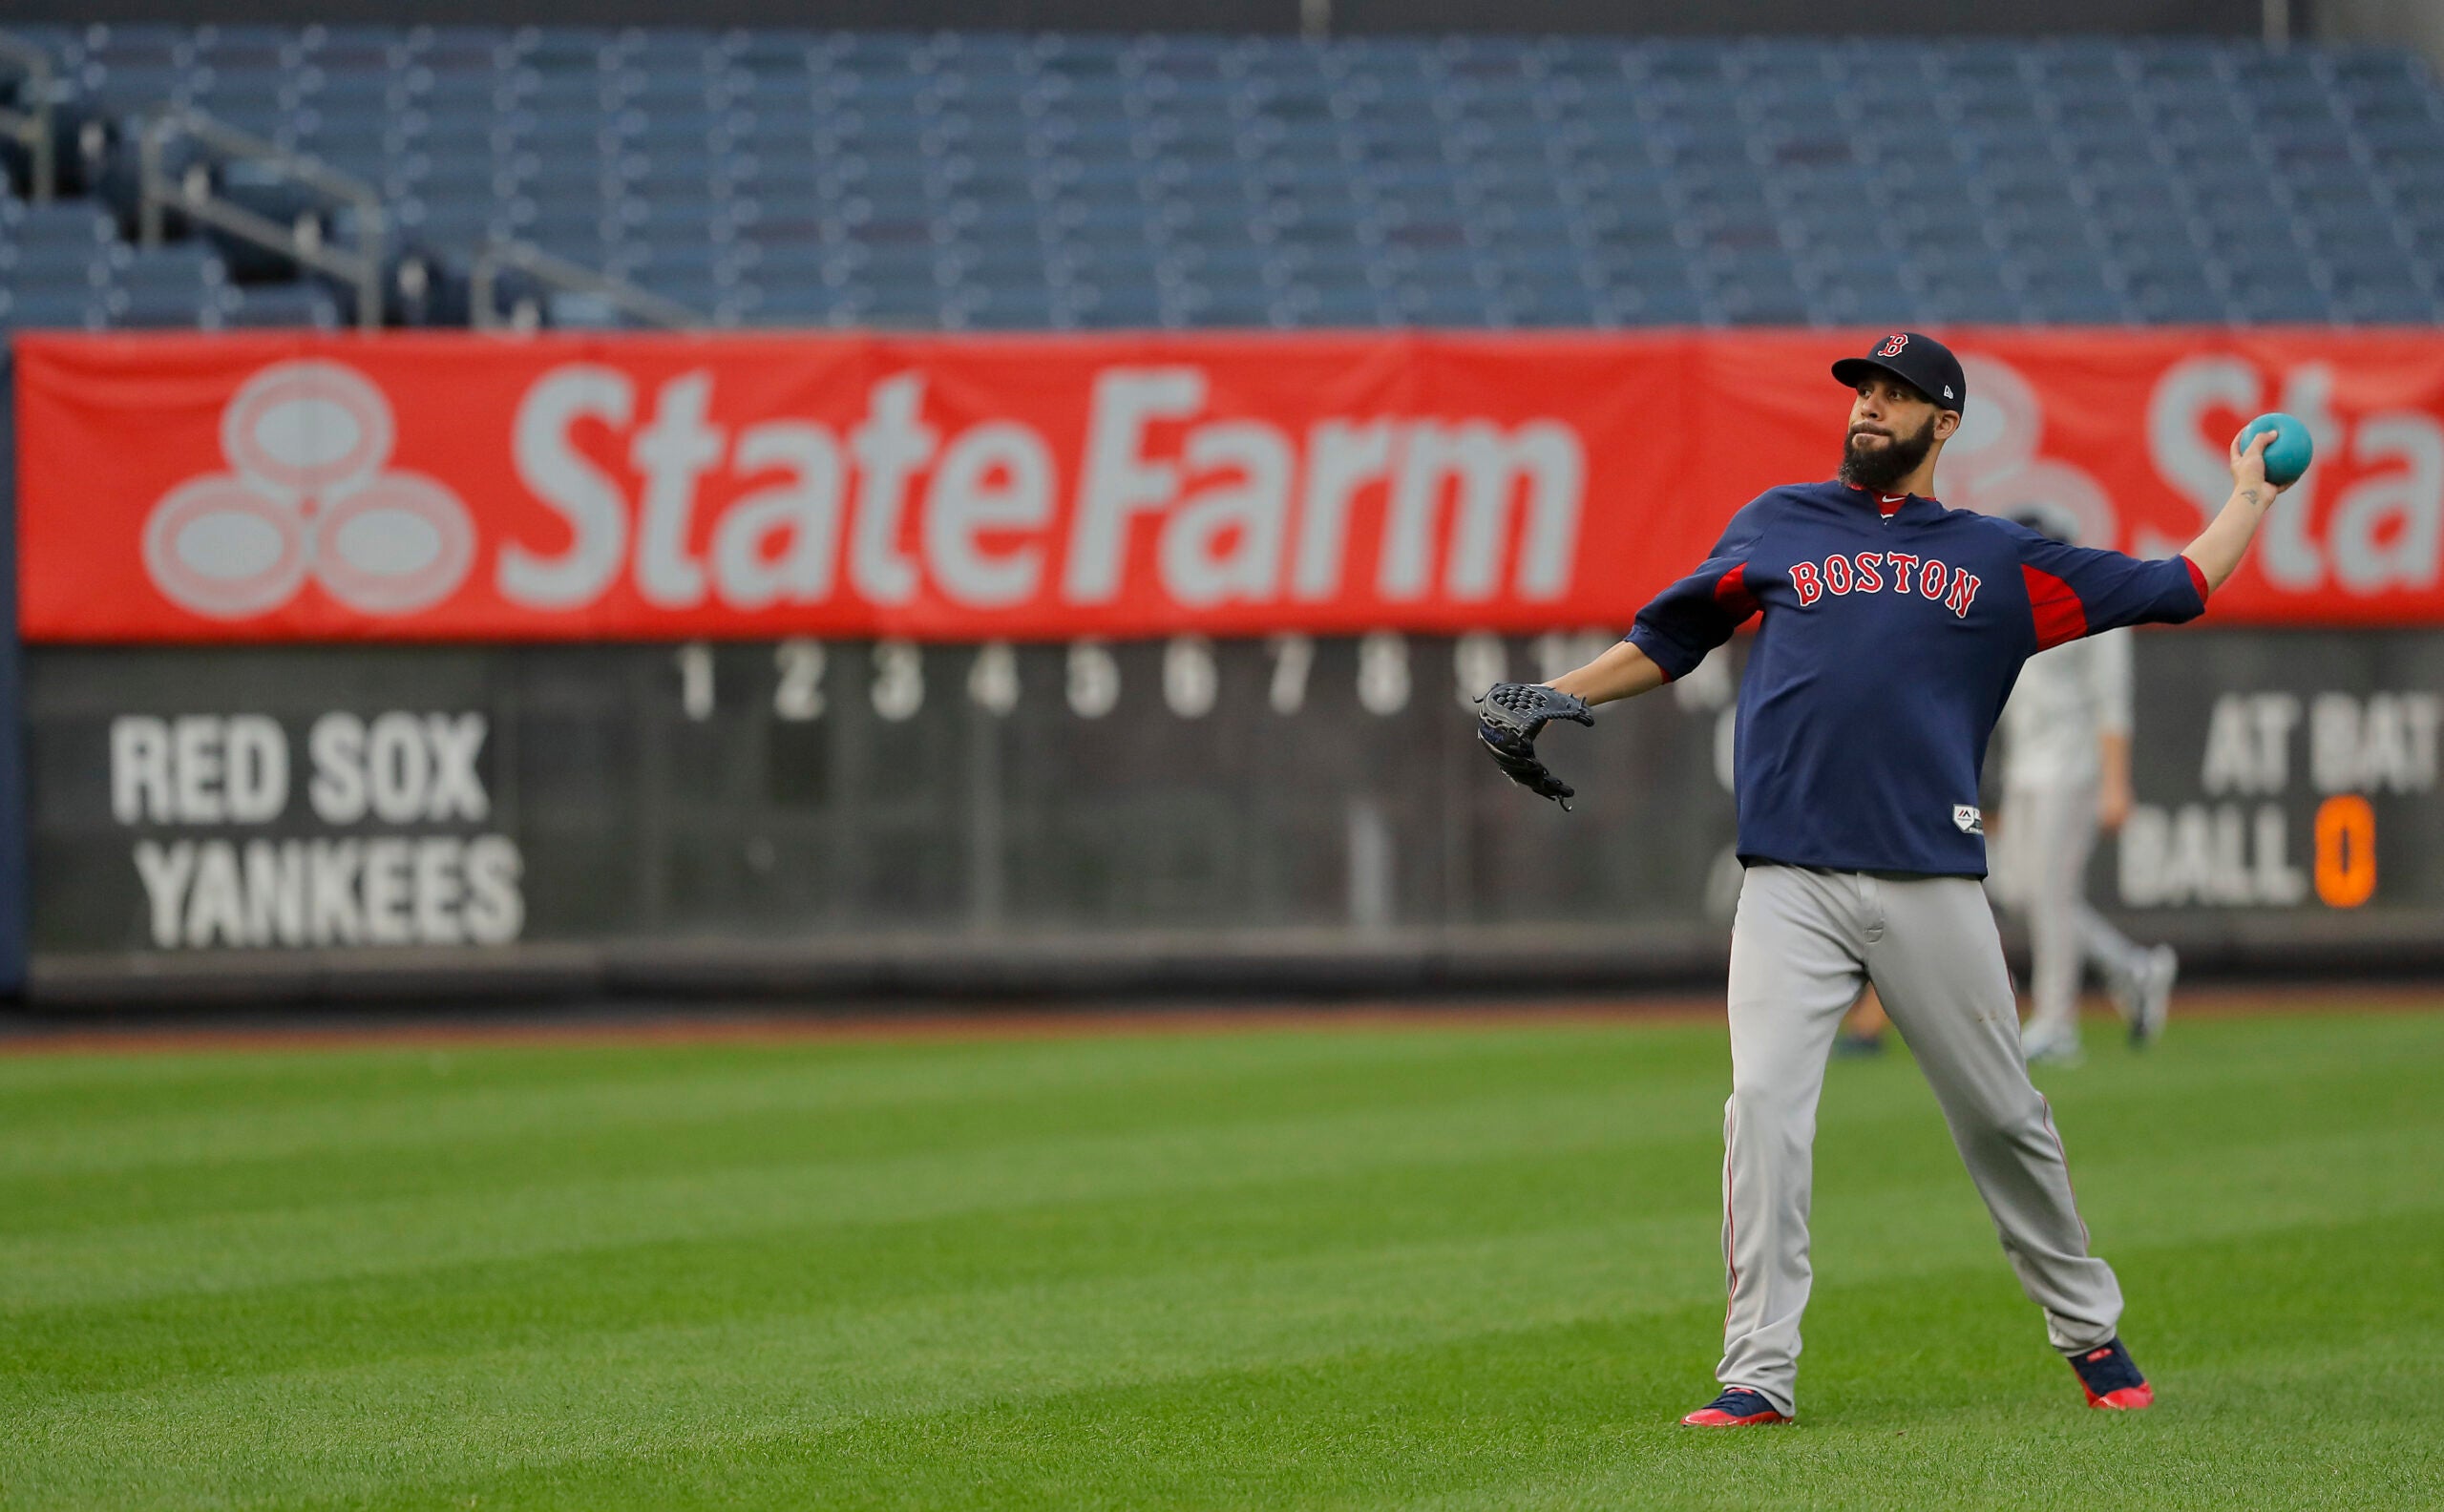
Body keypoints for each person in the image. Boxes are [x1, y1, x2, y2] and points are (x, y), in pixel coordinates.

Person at [1471, 331, 2291, 1427]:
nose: (1869, 407)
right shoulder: (1778, 523)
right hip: (1788, 880)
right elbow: (1671, 636)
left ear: (1942, 424)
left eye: (1897, 395)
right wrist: (1554, 694)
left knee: (2003, 1117)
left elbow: (2180, 586)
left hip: (1927, 879)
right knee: (1761, 1110)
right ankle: (1757, 1370)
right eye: (1863, 389)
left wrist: (2247, 493)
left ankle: (2088, 1332)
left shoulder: (2000, 559)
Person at [1989, 502, 2179, 1065]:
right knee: (2021, 891)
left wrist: (2115, 784)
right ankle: (2133, 968)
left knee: (2050, 891)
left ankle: (2057, 1022)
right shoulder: (2012, 607)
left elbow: (2112, 702)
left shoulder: (2094, 602)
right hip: (2026, 768)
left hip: (2071, 769)